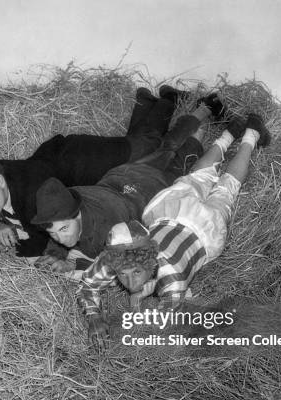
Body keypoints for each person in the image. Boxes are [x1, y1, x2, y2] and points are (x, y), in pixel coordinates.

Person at [76, 114, 271, 348]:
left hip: (203, 231)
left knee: (223, 188)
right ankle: (236, 134)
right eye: (123, 274)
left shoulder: (173, 280)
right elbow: (87, 284)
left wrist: (136, 299)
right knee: (202, 179)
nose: (129, 281)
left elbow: (159, 325)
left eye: (136, 272)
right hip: (170, 215)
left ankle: (248, 134)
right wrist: (95, 317)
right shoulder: (115, 257)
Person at [0, 86, 213, 258]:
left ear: (1, 181)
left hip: (86, 160)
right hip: (66, 158)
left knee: (149, 144)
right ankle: (146, 102)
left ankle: (170, 98)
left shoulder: (33, 197)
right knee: (139, 143)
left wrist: (4, 240)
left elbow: (38, 242)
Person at [30, 97, 225, 272]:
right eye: (52, 233)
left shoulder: (103, 231)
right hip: (124, 174)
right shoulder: (68, 198)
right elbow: (58, 222)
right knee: (168, 145)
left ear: (77, 213)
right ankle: (205, 107)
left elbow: (118, 263)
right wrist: (55, 252)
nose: (60, 238)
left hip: (151, 188)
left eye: (63, 230)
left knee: (182, 162)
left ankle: (205, 124)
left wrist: (73, 264)